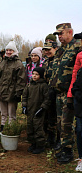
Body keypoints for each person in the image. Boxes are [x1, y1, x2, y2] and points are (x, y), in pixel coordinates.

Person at [50, 23, 81, 164]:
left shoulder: (78, 46)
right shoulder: (61, 49)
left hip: (70, 93)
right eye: (58, 35)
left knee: (67, 123)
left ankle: (68, 151)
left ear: (70, 32)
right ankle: (63, 146)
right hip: (59, 93)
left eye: (61, 34)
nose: (59, 37)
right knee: (60, 122)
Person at [0, 41, 26, 132]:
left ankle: (10, 130)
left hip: (12, 93)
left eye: (11, 50)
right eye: (7, 50)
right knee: (3, 113)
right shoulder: (2, 63)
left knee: (11, 114)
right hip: (2, 92)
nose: (9, 52)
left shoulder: (18, 64)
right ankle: (2, 129)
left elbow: (21, 80)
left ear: (14, 51)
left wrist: (18, 93)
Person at [22, 67, 50, 154]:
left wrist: (42, 108)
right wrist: (24, 106)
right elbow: (24, 96)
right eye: (33, 74)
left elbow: (47, 98)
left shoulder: (43, 86)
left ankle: (40, 145)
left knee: (38, 128)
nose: (34, 76)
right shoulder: (29, 85)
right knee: (30, 127)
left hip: (38, 111)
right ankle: (33, 143)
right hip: (30, 110)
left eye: (37, 74)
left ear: (41, 76)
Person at [42, 41, 60, 149]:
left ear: (55, 48)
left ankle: (59, 140)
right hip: (49, 93)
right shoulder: (46, 62)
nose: (47, 52)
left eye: (49, 49)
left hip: (58, 93)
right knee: (50, 116)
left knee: (59, 118)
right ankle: (50, 138)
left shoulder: (59, 61)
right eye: (46, 50)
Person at [68, 32, 82, 170]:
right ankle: (81, 159)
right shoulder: (79, 55)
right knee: (80, 129)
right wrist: (72, 95)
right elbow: (74, 77)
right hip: (80, 100)